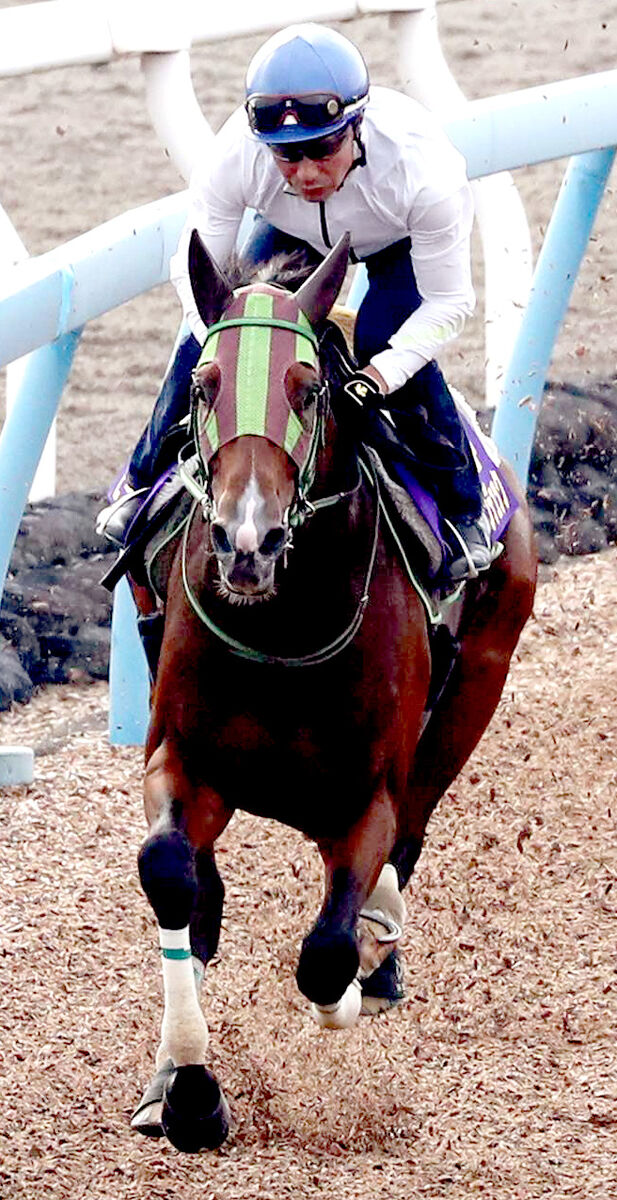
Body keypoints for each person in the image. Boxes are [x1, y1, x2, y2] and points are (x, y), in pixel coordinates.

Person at [98, 22, 494, 581]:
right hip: (294, 236)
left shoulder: (424, 172)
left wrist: (378, 376)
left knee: (383, 333)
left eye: (323, 149)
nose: (306, 172)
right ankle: (140, 483)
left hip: (397, 241)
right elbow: (194, 276)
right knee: (219, 348)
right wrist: (226, 337)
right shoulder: (233, 156)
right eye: (286, 156)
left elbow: (450, 304)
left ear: (356, 124)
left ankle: (463, 510)